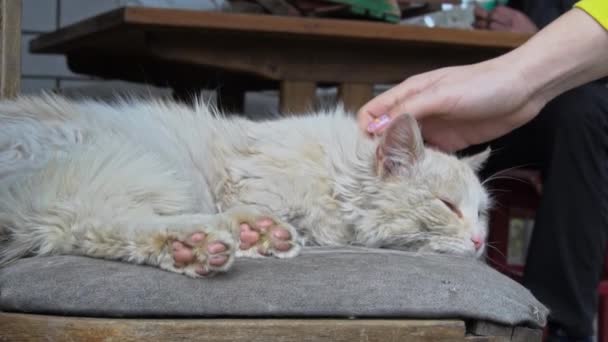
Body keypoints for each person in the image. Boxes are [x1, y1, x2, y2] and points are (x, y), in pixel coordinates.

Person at [358, 1, 608, 341]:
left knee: (583, 114)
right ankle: (400, 297)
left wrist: (531, 52)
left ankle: (557, 327)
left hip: (568, 96)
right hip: (480, 76)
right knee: (428, 123)